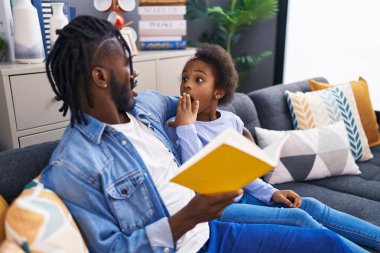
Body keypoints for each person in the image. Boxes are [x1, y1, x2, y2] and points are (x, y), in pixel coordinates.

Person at [41, 15, 360, 253]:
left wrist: (241, 141)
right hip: (189, 242)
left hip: (213, 229)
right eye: (127, 64)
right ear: (100, 77)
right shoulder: (72, 166)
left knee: (324, 241)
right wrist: (189, 217)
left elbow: (201, 105)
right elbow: (112, 249)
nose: (135, 72)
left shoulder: (146, 107)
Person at [165, 43, 380, 252]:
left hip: (242, 196)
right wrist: (186, 127)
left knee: (311, 205)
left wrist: (272, 193)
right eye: (185, 78)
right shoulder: (177, 125)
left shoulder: (231, 121)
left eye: (198, 79)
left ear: (218, 92)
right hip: (214, 208)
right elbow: (198, 183)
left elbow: (241, 173)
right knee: (298, 218)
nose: (187, 84)